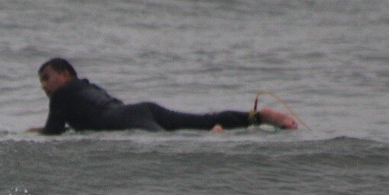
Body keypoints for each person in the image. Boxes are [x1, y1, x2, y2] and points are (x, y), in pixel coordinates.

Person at [30, 57, 297, 135]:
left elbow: (54, 132)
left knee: (167, 142)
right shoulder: (89, 87)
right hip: (142, 110)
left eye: (46, 78)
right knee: (202, 120)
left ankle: (211, 138)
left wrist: (34, 132)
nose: (44, 86)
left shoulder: (61, 95)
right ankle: (259, 117)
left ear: (65, 75)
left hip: (127, 119)